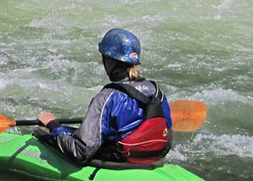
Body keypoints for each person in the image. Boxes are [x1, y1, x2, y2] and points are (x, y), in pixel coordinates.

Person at [35, 28, 173, 165]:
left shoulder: (107, 98)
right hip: (152, 157)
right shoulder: (156, 91)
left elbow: (80, 151)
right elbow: (168, 140)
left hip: (120, 158)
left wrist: (53, 125)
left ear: (110, 61)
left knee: (42, 132)